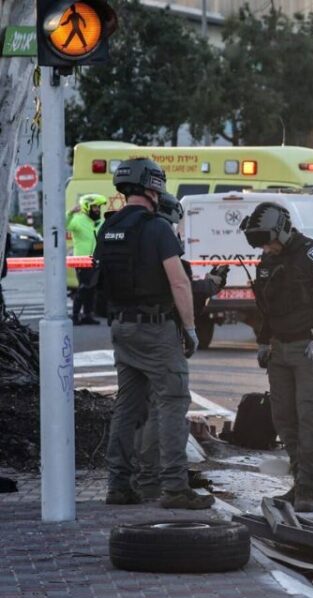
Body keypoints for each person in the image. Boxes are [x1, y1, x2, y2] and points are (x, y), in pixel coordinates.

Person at [93, 158, 212, 508]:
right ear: (152, 187)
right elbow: (178, 281)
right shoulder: (157, 228)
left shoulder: (109, 227)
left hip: (121, 327)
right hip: (155, 329)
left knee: (127, 408)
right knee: (173, 402)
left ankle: (118, 486)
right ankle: (175, 488)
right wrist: (189, 328)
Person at [241, 202, 313, 512]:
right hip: (279, 348)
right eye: (260, 243)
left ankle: (307, 488)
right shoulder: (267, 259)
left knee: (310, 417)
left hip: (309, 348)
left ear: (282, 231)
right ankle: (299, 479)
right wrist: (263, 341)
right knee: (284, 419)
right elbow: (266, 306)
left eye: (268, 241)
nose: (266, 248)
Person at [132, 193, 228, 500]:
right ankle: (167, 481)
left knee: (143, 409)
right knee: (167, 407)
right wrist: (213, 284)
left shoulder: (136, 246)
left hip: (132, 335)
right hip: (162, 337)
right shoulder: (166, 248)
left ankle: (143, 478)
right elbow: (184, 288)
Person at [68, 194, 106, 325]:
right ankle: (75, 315)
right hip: (82, 261)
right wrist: (70, 213)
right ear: (86, 207)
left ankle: (87, 315)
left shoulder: (100, 222)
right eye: (95, 206)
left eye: (99, 207)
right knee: (83, 288)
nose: (97, 209)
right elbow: (63, 225)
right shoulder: (78, 220)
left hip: (96, 260)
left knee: (92, 290)